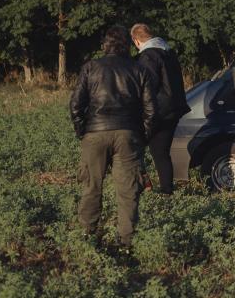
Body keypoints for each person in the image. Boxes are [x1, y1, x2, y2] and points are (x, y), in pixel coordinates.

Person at [69, 26, 156, 249]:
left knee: (91, 187)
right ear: (127, 45)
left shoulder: (91, 67)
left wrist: (83, 131)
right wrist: (142, 136)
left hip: (95, 134)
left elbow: (76, 105)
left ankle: (88, 236)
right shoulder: (139, 69)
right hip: (128, 135)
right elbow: (151, 110)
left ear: (105, 45)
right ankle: (126, 243)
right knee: (128, 192)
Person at [130, 23, 190, 194]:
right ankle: (166, 191)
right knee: (161, 152)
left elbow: (148, 86)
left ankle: (148, 186)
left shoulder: (148, 57)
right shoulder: (168, 52)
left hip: (158, 111)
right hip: (174, 109)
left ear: (136, 40)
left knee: (134, 147)